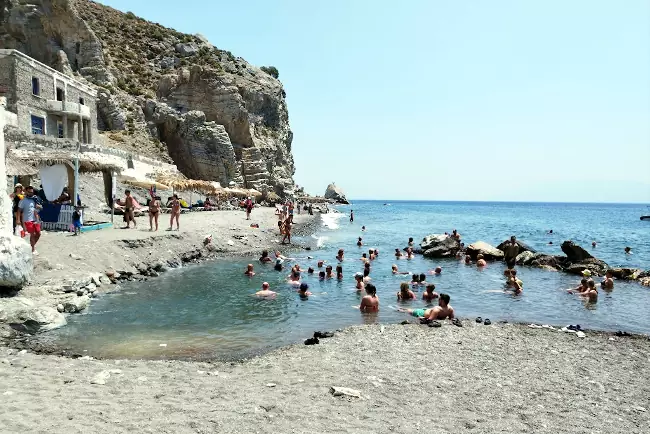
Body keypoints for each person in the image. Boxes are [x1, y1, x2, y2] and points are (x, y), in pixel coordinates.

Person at [18, 185, 43, 254]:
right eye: (29, 192)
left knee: (38, 233)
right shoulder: (23, 200)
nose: (30, 193)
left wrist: (39, 207)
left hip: (36, 219)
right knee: (32, 234)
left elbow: (41, 208)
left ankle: (31, 246)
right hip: (28, 219)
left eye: (31, 192)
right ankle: (32, 249)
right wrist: (18, 220)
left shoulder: (35, 199)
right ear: (26, 192)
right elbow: (19, 210)